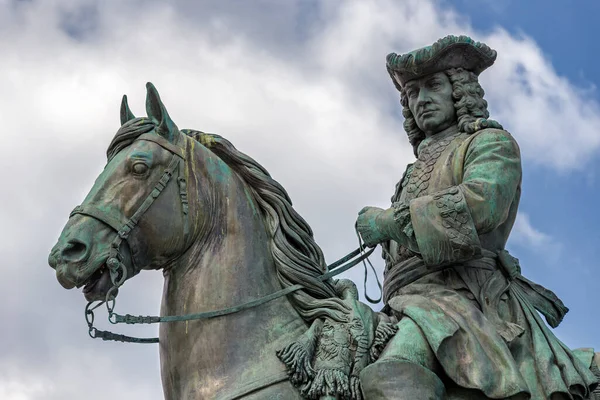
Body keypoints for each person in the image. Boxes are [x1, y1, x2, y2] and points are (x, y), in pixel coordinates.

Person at [355, 35, 598, 400]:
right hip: (403, 304)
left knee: (392, 375)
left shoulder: (490, 144)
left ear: (460, 91)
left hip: (461, 299)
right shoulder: (411, 172)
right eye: (413, 94)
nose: (422, 100)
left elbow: (481, 205)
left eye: (434, 86)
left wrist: (387, 222)